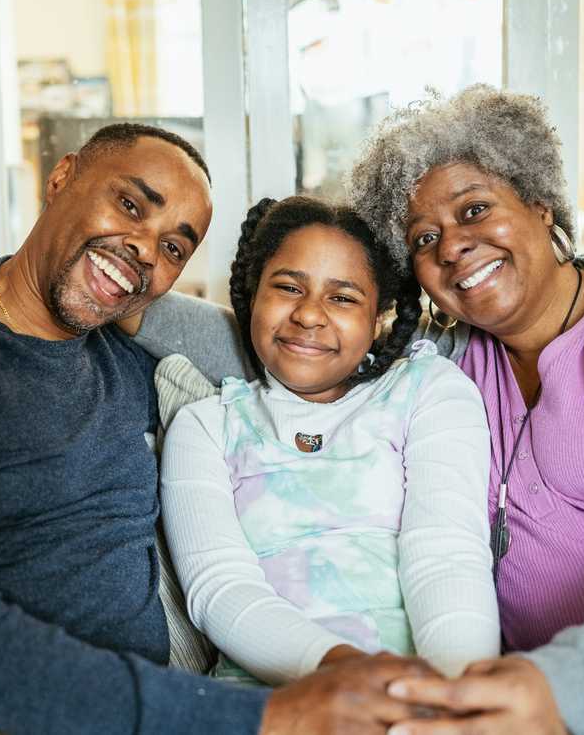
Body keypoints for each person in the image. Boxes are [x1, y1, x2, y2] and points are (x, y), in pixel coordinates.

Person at [127, 87, 584, 735]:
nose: (454, 247)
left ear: (541, 203)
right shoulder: (446, 361)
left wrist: (568, 688)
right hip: (547, 701)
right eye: (424, 239)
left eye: (473, 210)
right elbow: (277, 345)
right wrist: (84, 285)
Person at [0, 123, 445, 735]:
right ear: (63, 175)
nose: (141, 250)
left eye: (173, 246)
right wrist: (264, 715)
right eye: (131, 205)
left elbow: (290, 350)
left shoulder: (127, 359)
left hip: (133, 712)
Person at [160, 196, 499, 688]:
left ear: (379, 316)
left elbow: (447, 553)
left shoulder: (428, 390)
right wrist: (351, 676)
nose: (309, 315)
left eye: (342, 298)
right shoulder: (206, 426)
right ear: (252, 294)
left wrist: (457, 694)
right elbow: (219, 588)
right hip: (268, 702)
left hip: (427, 692)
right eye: (287, 287)